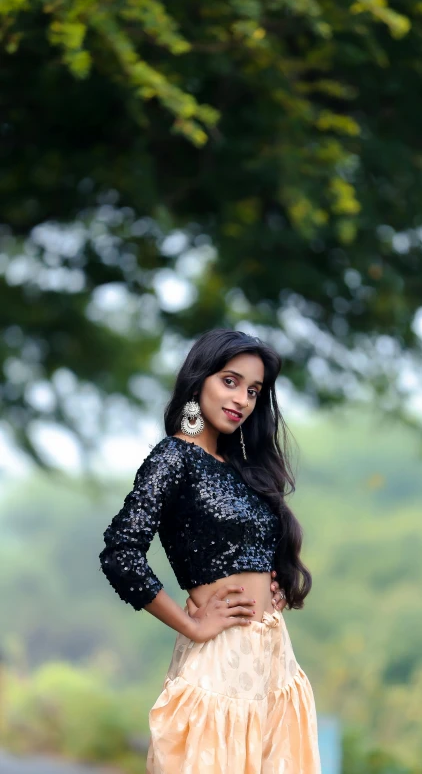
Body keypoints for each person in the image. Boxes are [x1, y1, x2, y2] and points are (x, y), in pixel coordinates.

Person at [98, 327, 321, 773]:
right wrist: (193, 626)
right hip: (218, 665)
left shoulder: (244, 469)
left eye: (254, 391)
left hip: (273, 664)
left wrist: (271, 586)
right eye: (230, 381)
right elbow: (120, 553)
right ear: (199, 380)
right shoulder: (174, 458)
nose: (241, 399)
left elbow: (248, 549)